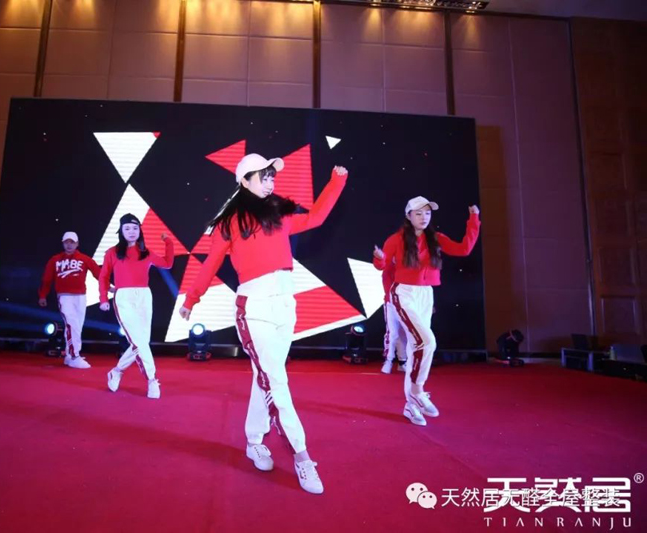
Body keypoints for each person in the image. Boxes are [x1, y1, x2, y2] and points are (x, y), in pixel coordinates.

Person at [179, 153, 348, 495]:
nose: (271, 182)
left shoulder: (279, 215)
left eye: (272, 176)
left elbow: (316, 217)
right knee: (276, 380)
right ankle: (301, 455)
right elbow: (211, 263)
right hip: (253, 307)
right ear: (244, 180)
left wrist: (336, 181)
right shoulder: (229, 223)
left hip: (286, 304)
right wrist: (191, 299)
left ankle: (254, 441)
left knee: (267, 378)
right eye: (264, 176)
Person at [373, 197, 480, 426]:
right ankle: (418, 391)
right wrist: (379, 258)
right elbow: (383, 265)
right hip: (403, 293)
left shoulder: (436, 238)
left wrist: (474, 219)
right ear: (409, 216)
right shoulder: (396, 239)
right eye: (419, 213)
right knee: (428, 342)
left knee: (417, 348)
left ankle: (411, 406)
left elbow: (464, 249)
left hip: (426, 294)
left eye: (428, 213)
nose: (424, 217)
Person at [99, 214, 174, 399]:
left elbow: (167, 263)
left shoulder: (146, 252)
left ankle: (117, 371)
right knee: (139, 342)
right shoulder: (112, 252)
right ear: (121, 231)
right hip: (123, 298)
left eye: (134, 228)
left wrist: (169, 242)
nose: (131, 232)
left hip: (144, 297)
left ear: (140, 230)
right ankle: (152, 380)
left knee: (141, 342)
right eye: (127, 228)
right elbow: (103, 276)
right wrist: (103, 299)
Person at [39, 231, 101, 369]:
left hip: (81, 297)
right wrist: (43, 295)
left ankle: (69, 354)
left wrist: (108, 287)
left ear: (77, 244)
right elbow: (47, 279)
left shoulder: (84, 259)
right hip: (64, 297)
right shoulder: (55, 260)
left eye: (72, 242)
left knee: (77, 326)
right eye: (66, 242)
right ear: (62, 243)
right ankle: (74, 356)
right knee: (72, 325)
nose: (69, 245)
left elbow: (98, 273)